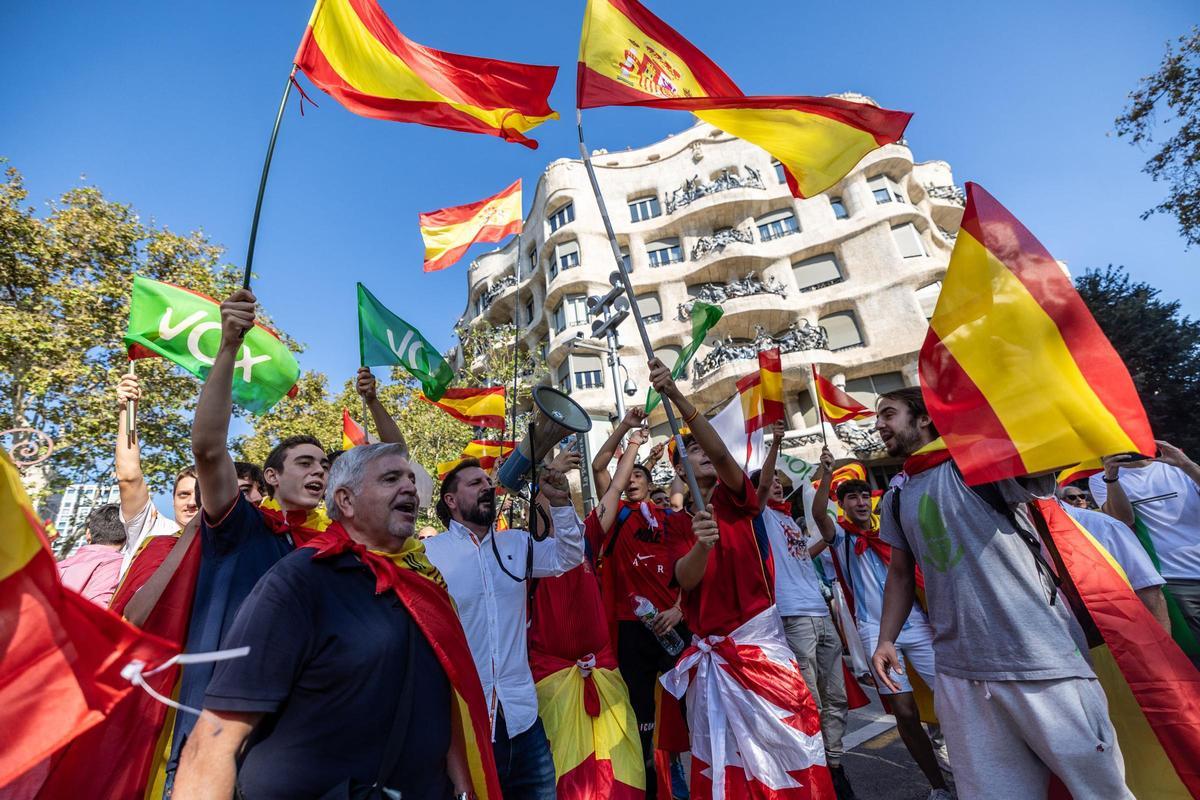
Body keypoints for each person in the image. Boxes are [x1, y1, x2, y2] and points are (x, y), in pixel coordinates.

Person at [174, 443, 500, 800]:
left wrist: (463, 784)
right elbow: (217, 737)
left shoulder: (424, 586)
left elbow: (442, 690)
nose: (409, 487)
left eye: (410, 479)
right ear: (345, 501)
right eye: (391, 479)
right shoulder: (298, 581)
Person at [872, 387, 1133, 800]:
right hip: (961, 675)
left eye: (888, 413)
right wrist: (886, 638)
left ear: (924, 418)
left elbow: (1049, 448)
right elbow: (901, 575)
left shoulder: (978, 464)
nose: (879, 425)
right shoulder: (897, 495)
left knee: (1099, 792)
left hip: (1041, 661)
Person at [166, 288, 334, 787]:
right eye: (305, 463)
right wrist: (228, 347)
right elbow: (208, 446)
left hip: (292, 762)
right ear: (272, 478)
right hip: (210, 749)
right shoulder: (241, 526)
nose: (319, 472)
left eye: (325, 465)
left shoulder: (334, 552)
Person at [649, 358, 833, 799]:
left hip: (762, 651)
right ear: (679, 471)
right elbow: (684, 578)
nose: (703, 455)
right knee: (727, 771)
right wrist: (702, 545)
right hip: (713, 664)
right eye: (690, 452)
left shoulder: (739, 500)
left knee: (793, 758)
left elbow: (720, 454)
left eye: (704, 449)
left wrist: (676, 396)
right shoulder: (673, 524)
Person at [425, 455, 585, 800]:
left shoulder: (515, 543)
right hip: (467, 725)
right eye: (474, 484)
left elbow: (569, 557)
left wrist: (560, 503)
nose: (487, 488)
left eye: (487, 482)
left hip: (523, 718)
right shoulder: (429, 554)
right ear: (450, 501)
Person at [529, 439, 647, 798]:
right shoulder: (525, 553)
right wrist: (548, 471)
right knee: (564, 779)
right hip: (552, 680)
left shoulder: (588, 537)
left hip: (604, 672)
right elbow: (538, 504)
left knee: (620, 773)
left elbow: (614, 488)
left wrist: (633, 441)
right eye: (548, 502)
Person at [588, 426, 692, 799]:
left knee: (686, 712)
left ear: (649, 483)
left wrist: (680, 610)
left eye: (637, 475)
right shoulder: (614, 516)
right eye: (626, 475)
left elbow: (694, 574)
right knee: (641, 713)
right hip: (630, 629)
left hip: (675, 627)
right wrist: (626, 432)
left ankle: (678, 773)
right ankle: (649, 783)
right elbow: (601, 464)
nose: (630, 480)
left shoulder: (673, 519)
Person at [754, 423, 856, 800]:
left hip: (820, 614)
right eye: (772, 480)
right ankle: (815, 771)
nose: (778, 484)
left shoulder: (789, 522)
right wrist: (776, 442)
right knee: (809, 698)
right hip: (793, 617)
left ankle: (834, 762)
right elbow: (761, 489)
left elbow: (809, 545)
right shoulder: (760, 518)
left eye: (782, 481)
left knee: (837, 698)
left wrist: (827, 474)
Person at [1089, 441, 1200, 643]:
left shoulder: (1178, 467)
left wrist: (1186, 464)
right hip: (1174, 578)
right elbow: (1123, 520)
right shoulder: (1101, 479)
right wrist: (1112, 479)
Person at [114, 372, 198, 575]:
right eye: (183, 494)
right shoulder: (151, 529)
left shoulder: (225, 542)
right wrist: (127, 409)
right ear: (173, 501)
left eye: (201, 494)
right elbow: (129, 476)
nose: (191, 503)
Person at [1056, 486, 1169, 630]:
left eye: (1082, 496)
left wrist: (1161, 649)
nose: (1079, 499)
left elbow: (1148, 590)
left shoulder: (1103, 525)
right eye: (1072, 497)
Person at [57, 503, 126, 606]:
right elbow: (99, 611)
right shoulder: (120, 565)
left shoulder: (56, 566)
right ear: (127, 537)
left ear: (88, 534)